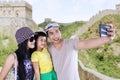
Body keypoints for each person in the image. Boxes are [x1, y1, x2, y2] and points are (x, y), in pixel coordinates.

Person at [45, 22, 115, 80]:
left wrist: (105, 39)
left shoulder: (71, 43)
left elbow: (85, 43)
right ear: (48, 36)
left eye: (57, 31)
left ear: (60, 31)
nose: (55, 35)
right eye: (51, 33)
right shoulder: (49, 47)